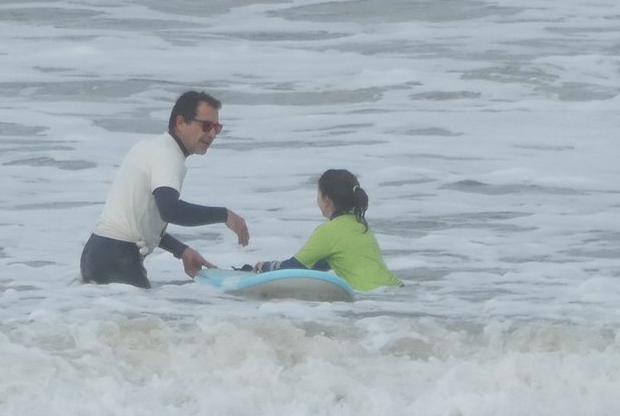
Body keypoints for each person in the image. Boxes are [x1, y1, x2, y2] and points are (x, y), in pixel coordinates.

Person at [80, 91, 249, 288]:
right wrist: (225, 215)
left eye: (217, 128)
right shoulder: (168, 156)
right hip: (117, 260)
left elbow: (140, 221)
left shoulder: (148, 146)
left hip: (95, 256)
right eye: (206, 126)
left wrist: (181, 250)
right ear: (180, 123)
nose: (212, 134)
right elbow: (170, 210)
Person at [253, 169, 401, 291]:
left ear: (326, 200)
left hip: (368, 295)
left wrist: (266, 267)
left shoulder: (328, 231)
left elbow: (293, 268)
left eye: (318, 193)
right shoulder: (360, 224)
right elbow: (321, 264)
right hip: (394, 290)